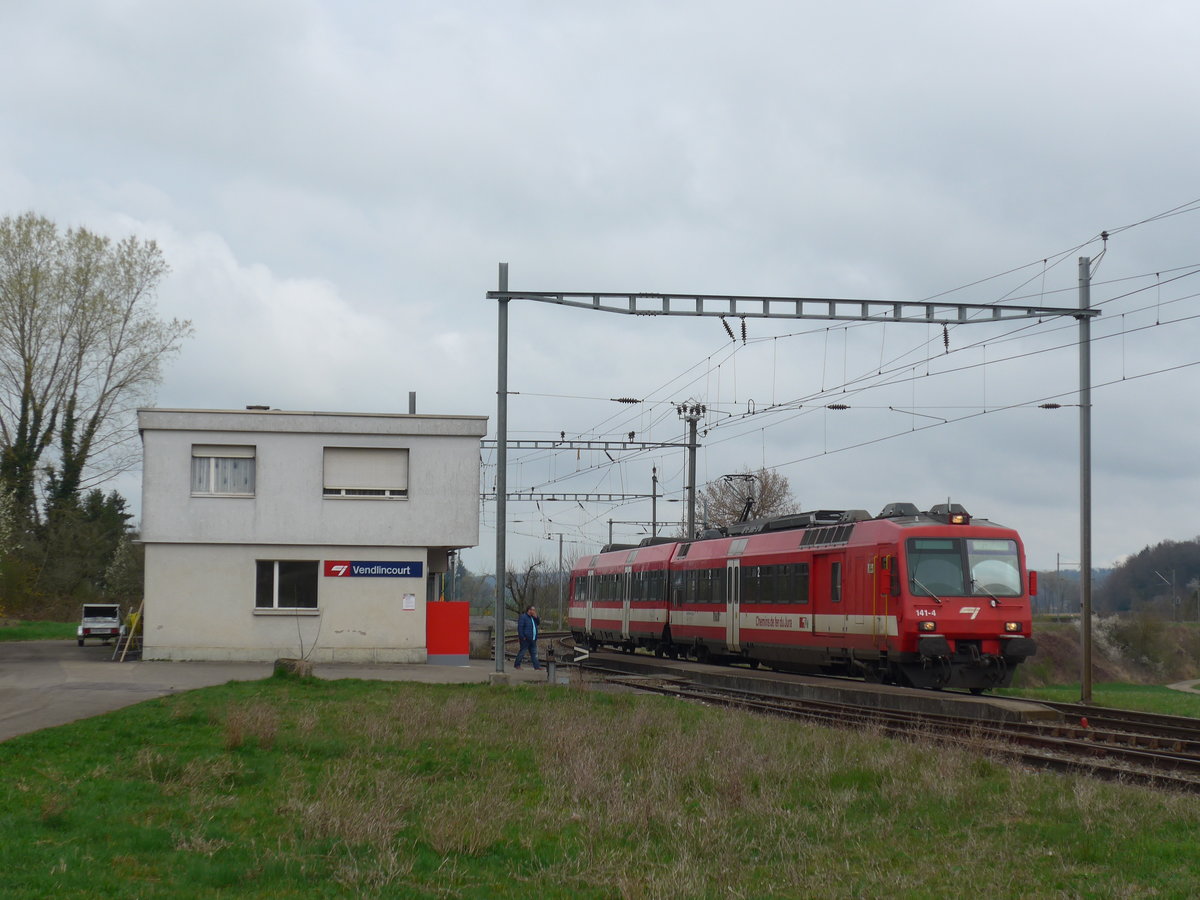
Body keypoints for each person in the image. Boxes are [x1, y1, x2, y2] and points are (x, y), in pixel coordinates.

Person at [515, 604, 541, 669]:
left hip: (533, 639)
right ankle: (517, 665)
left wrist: (536, 617)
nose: (534, 611)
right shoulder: (523, 617)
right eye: (533, 610)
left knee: (534, 653)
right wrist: (522, 636)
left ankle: (537, 666)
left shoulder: (533, 618)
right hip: (525, 639)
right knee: (522, 652)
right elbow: (520, 627)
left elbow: (538, 623)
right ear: (529, 610)